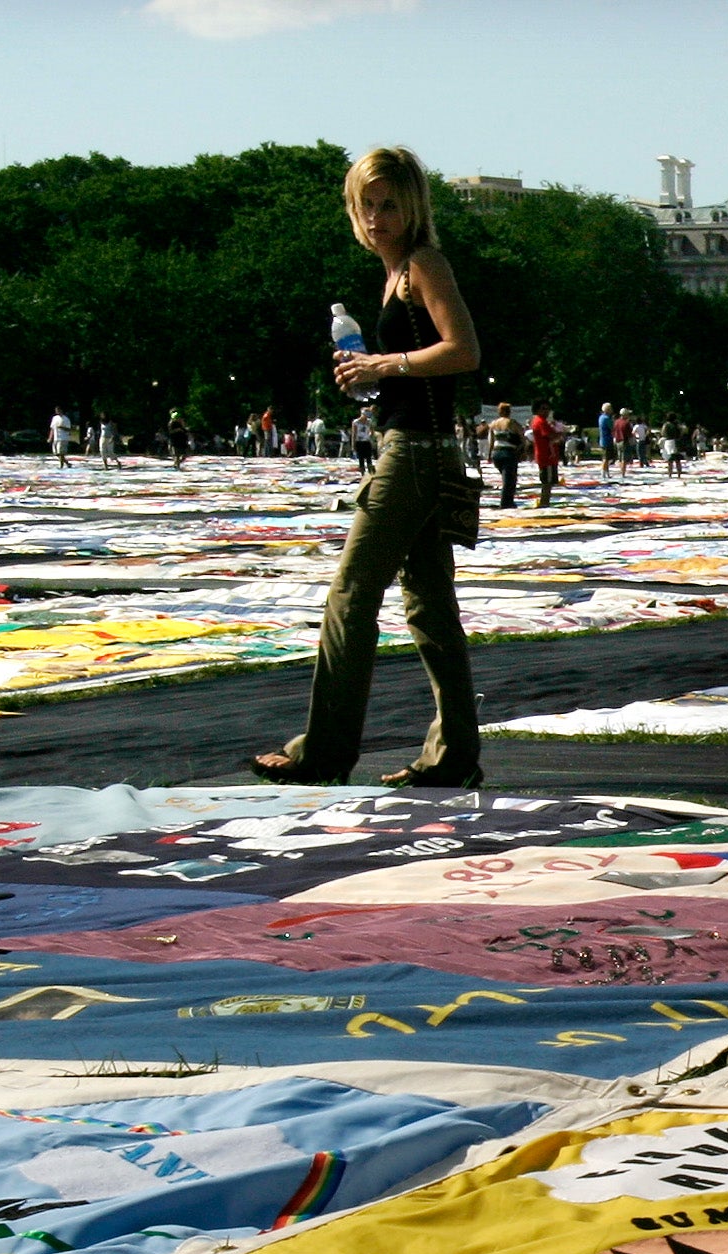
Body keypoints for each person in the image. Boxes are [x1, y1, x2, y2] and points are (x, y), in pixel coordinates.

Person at [249, 145, 483, 790]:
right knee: (431, 608)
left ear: (414, 208)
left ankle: (324, 752)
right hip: (432, 453)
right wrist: (373, 375)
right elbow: (425, 363)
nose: (377, 218)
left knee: (351, 598)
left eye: (390, 205)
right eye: (367, 205)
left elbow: (463, 350)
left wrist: (385, 364)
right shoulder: (396, 273)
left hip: (412, 456)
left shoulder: (422, 265)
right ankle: (454, 754)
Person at [487, 400, 524, 505]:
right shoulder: (512, 423)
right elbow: (522, 438)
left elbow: (491, 442)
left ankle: (508, 502)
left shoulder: (493, 424)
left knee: (506, 478)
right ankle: (506, 503)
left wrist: (489, 455)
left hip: (496, 453)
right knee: (509, 481)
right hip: (509, 453)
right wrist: (522, 450)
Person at [528, 399, 563, 505]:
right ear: (537, 410)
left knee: (549, 481)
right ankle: (544, 502)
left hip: (549, 456)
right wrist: (560, 433)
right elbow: (550, 435)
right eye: (543, 409)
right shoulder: (540, 421)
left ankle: (545, 502)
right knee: (547, 482)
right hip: (546, 456)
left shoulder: (542, 421)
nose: (546, 411)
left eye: (548, 409)